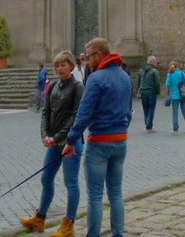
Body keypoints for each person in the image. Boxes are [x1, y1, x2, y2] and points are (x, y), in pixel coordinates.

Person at [63, 38, 132, 237]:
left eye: (89, 57)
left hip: (99, 142)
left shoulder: (96, 78)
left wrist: (70, 140)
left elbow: (83, 114)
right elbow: (129, 111)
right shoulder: (125, 76)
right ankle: (118, 234)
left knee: (94, 195)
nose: (87, 61)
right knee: (116, 193)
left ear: (99, 56)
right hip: (120, 140)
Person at [20, 51, 84, 237]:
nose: (59, 69)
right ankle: (40, 218)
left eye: (63, 65)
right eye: (57, 66)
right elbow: (45, 112)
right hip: (54, 142)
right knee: (46, 178)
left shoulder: (77, 87)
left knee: (70, 182)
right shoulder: (54, 86)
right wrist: (45, 135)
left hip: (71, 142)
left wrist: (57, 137)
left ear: (71, 66)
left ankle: (68, 225)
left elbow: (75, 116)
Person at [164, 61, 185, 134]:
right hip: (182, 95)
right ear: (177, 66)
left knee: (175, 113)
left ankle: (175, 129)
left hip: (174, 96)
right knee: (184, 111)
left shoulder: (170, 74)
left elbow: (167, 84)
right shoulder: (182, 73)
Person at [138, 56, 160, 130]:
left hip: (143, 92)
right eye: (155, 61)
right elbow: (157, 83)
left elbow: (139, 81)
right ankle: (149, 125)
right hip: (151, 92)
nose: (156, 63)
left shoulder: (142, 70)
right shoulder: (154, 71)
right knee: (151, 108)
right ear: (151, 62)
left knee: (145, 109)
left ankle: (146, 123)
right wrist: (158, 91)